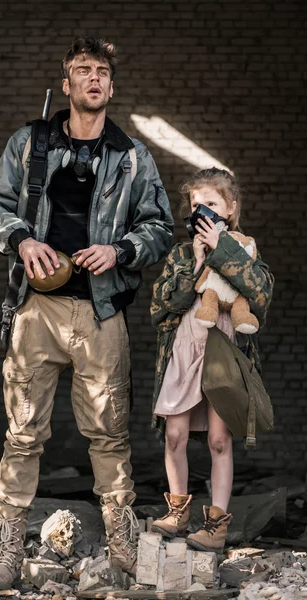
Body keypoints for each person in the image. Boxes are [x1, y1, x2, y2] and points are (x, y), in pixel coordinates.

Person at [0, 36, 174, 587]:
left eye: (101, 71)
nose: (92, 78)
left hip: (101, 310)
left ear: (110, 85)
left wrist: (120, 250)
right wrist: (19, 239)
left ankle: (122, 547)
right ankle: (8, 552)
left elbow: (160, 227)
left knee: (109, 434)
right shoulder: (29, 143)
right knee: (22, 433)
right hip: (35, 307)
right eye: (82, 70)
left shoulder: (132, 157)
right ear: (65, 84)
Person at [149, 167, 274, 552]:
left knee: (220, 441)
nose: (202, 211)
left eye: (212, 203)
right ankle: (178, 511)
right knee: (174, 434)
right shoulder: (182, 255)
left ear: (230, 208)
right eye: (195, 204)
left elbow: (261, 295)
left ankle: (216, 524)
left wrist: (223, 249)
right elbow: (161, 306)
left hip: (222, 354)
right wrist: (200, 261)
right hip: (185, 351)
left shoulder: (245, 250)